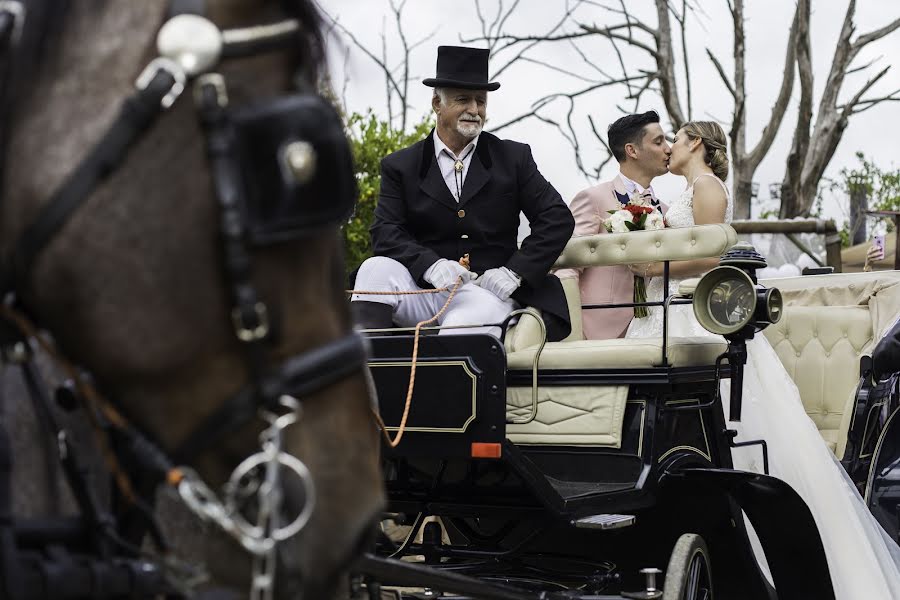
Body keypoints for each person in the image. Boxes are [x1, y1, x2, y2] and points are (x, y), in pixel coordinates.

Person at [624, 120, 900, 598]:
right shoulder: (684, 191)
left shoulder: (708, 186)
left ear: (696, 144)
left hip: (695, 308)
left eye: (677, 138)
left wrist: (654, 265)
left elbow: (714, 256)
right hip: (667, 305)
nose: (668, 147)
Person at [351, 46, 575, 341]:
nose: (474, 109)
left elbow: (557, 218)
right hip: (425, 288)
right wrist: (430, 265)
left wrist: (513, 272)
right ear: (436, 103)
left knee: (461, 326)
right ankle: (370, 379)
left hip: (485, 293)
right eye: (462, 99)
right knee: (374, 268)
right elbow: (385, 231)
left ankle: (443, 386)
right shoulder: (400, 165)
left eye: (480, 101)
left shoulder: (513, 157)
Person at [555, 111, 671, 339]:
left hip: (653, 328)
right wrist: (573, 330)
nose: (669, 148)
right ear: (632, 150)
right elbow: (567, 264)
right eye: (659, 142)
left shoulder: (665, 212)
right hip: (596, 329)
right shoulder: (593, 199)